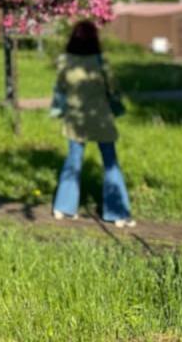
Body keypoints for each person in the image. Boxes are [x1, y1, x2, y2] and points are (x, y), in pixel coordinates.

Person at [50, 20, 135, 228]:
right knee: (110, 163)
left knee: (73, 162)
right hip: (100, 118)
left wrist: (58, 110)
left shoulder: (65, 61)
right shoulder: (100, 61)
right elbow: (113, 88)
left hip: (75, 119)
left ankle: (63, 207)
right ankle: (117, 213)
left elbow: (59, 89)